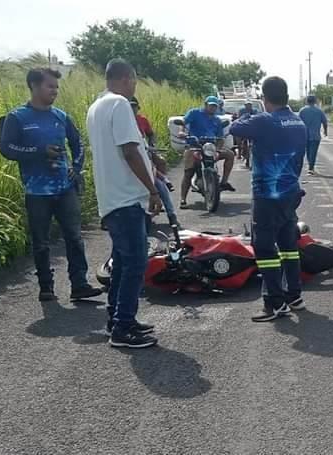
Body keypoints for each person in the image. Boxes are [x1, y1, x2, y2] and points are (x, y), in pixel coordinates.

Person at [0, 68, 102, 302]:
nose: (55, 90)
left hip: (65, 188)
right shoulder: (17, 117)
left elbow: (78, 144)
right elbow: (7, 148)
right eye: (50, 86)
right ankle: (46, 287)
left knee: (74, 237)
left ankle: (80, 285)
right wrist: (38, 152)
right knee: (41, 241)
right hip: (36, 191)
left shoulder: (61, 116)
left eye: (56, 87)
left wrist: (76, 167)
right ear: (34, 86)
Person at [86, 58, 160, 348]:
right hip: (127, 198)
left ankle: (116, 318)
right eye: (135, 81)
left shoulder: (97, 106)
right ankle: (123, 328)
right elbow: (130, 151)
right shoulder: (118, 104)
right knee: (134, 265)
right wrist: (152, 190)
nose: (134, 86)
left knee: (120, 264)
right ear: (128, 78)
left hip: (112, 197)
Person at [229, 76, 307, 322]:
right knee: (288, 247)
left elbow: (235, 128)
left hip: (267, 195)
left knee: (264, 248)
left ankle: (274, 303)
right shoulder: (298, 122)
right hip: (290, 193)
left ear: (264, 98)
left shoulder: (264, 120)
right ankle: (293, 294)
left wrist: (244, 113)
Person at [178, 96, 237, 208]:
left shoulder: (217, 120)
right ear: (205, 104)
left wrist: (218, 150)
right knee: (188, 172)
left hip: (210, 147)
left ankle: (224, 182)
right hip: (195, 146)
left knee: (230, 154)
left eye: (215, 106)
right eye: (211, 105)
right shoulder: (194, 113)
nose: (213, 108)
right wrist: (182, 132)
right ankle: (183, 199)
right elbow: (184, 122)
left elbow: (220, 138)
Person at [130, 97, 179, 228]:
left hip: (145, 154)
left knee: (159, 184)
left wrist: (151, 145)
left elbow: (150, 135)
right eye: (130, 106)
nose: (132, 109)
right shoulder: (120, 123)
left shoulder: (141, 121)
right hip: (127, 161)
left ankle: (171, 214)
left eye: (134, 106)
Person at [298, 95, 328, 175]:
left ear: (307, 101)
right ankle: (311, 167)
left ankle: (310, 166)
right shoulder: (319, 111)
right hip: (315, 135)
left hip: (304, 135)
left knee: (308, 151)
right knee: (313, 152)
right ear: (315, 101)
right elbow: (324, 122)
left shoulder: (302, 110)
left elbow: (298, 122)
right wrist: (325, 131)